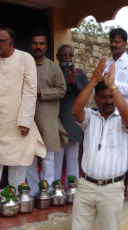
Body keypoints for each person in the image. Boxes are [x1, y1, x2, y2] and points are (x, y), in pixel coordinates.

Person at [0, 28, 46, 191]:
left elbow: (30, 91)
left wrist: (25, 121)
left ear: (11, 41)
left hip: (18, 123)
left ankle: (14, 202)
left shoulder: (25, 59)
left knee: (17, 165)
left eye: (1, 41)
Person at [71, 58, 128, 230]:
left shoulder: (123, 119)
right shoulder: (90, 116)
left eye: (112, 97)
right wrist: (93, 80)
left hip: (112, 190)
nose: (109, 101)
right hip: (85, 187)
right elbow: (76, 111)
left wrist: (112, 86)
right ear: (96, 99)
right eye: (104, 98)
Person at [26, 30, 68, 196]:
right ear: (30, 46)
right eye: (35, 43)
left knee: (48, 158)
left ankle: (47, 190)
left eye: (41, 43)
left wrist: (41, 92)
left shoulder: (53, 67)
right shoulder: (24, 65)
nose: (38, 47)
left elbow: (62, 90)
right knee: (29, 158)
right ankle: (33, 192)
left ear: (46, 46)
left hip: (48, 119)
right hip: (27, 119)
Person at [54, 44, 88, 186]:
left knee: (73, 157)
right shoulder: (54, 72)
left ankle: (72, 188)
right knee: (57, 158)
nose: (67, 57)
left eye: (70, 54)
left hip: (74, 121)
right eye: (64, 54)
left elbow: (86, 93)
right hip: (58, 120)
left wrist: (75, 84)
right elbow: (53, 94)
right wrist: (68, 85)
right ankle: (55, 189)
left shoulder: (79, 73)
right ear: (58, 57)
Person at [104, 28, 128, 117]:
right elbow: (98, 90)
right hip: (107, 114)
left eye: (117, 42)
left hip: (126, 115)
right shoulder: (106, 63)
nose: (113, 45)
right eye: (111, 41)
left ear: (125, 43)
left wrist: (112, 84)